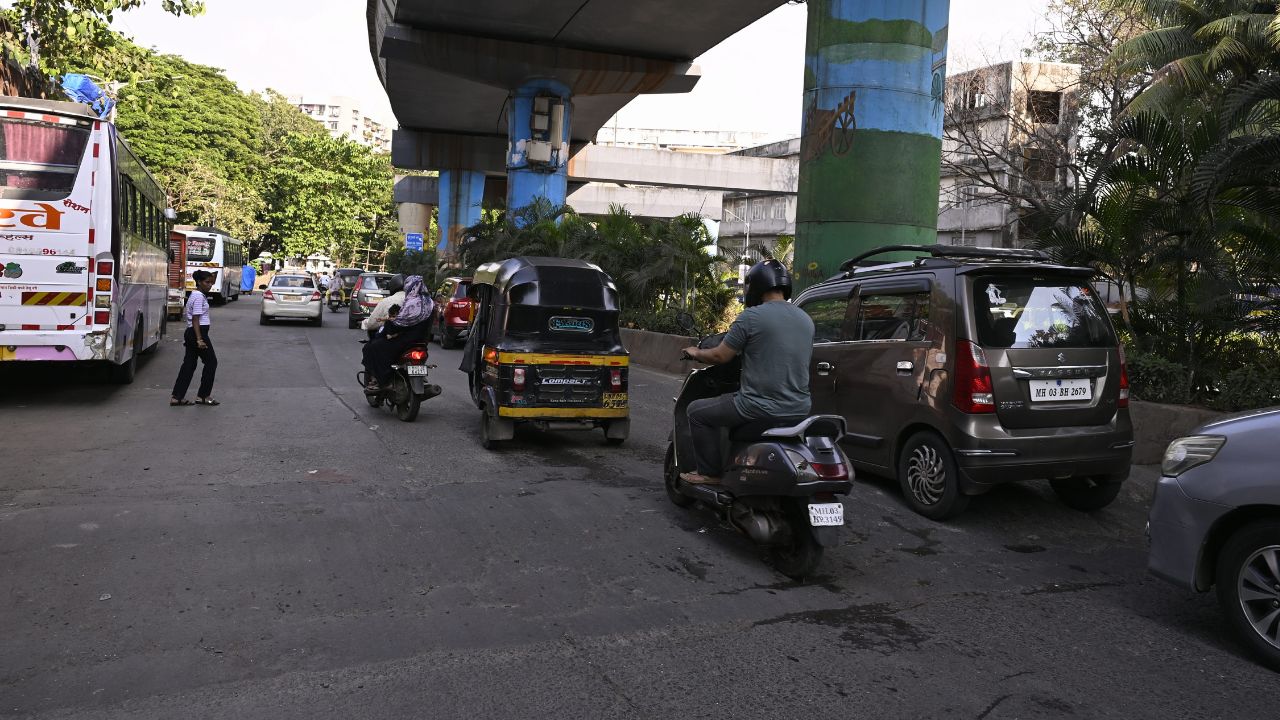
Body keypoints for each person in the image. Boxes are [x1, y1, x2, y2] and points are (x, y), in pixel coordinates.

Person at [679, 259, 814, 485]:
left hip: (756, 406)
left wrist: (694, 352)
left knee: (696, 412)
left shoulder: (751, 317)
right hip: (800, 408)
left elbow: (720, 356)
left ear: (756, 286)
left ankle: (710, 474)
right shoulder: (805, 319)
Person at [361, 274, 434, 392]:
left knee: (372, 347)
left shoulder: (412, 304)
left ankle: (382, 381)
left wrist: (386, 331)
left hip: (405, 341)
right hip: (422, 342)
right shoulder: (430, 303)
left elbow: (399, 324)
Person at [170, 270, 220, 406]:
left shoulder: (195, 295)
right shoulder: (198, 297)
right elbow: (195, 319)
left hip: (192, 333)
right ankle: (203, 396)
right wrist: (199, 339)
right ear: (199, 282)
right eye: (207, 282)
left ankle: (177, 397)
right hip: (198, 333)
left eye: (211, 282)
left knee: (189, 365)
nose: (209, 285)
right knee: (211, 362)